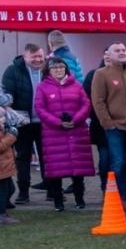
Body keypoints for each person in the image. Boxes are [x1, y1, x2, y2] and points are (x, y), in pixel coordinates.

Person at [90, 42, 126, 210]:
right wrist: (108, 123)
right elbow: (98, 101)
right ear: (109, 54)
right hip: (115, 128)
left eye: (123, 50)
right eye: (117, 50)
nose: (122, 52)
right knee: (118, 162)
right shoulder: (101, 74)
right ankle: (120, 196)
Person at [33, 56, 92, 210]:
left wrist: (76, 119)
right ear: (49, 70)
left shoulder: (77, 86)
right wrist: (58, 123)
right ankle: (58, 202)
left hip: (76, 132)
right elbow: (40, 109)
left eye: (61, 67)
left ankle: (80, 199)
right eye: (55, 68)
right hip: (54, 134)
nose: (59, 70)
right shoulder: (42, 87)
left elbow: (85, 104)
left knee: (78, 169)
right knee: (55, 170)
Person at [2, 43, 48, 203]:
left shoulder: (48, 69)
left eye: (40, 56)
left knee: (47, 156)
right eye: (34, 56)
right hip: (22, 122)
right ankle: (23, 192)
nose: (38, 59)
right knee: (23, 157)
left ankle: (51, 189)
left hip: (46, 122)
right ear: (24, 56)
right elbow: (7, 94)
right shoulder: (12, 71)